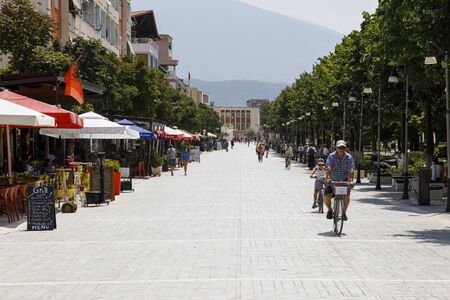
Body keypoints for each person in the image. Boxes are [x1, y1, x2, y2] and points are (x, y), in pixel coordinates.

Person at [324, 140, 355, 221]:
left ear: (346, 148)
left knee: (347, 196)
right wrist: (327, 178)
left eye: (343, 147)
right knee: (326, 197)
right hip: (333, 181)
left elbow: (351, 169)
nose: (341, 149)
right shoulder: (331, 156)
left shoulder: (349, 157)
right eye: (339, 147)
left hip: (344, 181)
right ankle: (330, 210)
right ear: (336, 148)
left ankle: (344, 212)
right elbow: (328, 167)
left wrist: (351, 180)